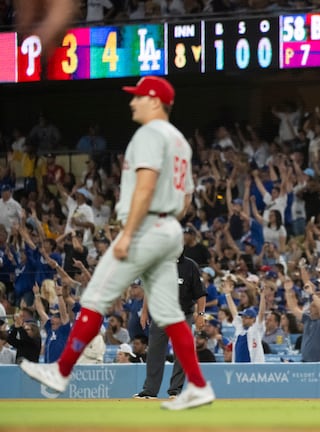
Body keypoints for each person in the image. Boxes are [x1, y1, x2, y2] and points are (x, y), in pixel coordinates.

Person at [20, 76, 215, 410]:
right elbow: (185, 200)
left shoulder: (149, 134)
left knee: (95, 297)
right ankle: (197, 385)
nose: (132, 102)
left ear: (155, 101)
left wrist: (129, 234)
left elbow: (144, 185)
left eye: (138, 97)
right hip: (168, 229)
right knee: (169, 313)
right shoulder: (181, 141)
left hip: (145, 228)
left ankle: (60, 371)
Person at [134, 253, 206, 399]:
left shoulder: (190, 266)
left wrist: (200, 314)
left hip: (182, 315)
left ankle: (175, 391)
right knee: (154, 353)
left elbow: (200, 293)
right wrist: (144, 312)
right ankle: (150, 391)